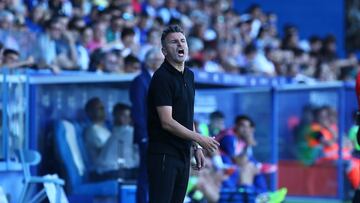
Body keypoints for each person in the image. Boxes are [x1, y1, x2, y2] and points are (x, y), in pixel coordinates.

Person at [147, 24, 219, 203]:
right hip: (164, 154)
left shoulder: (190, 75)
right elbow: (167, 122)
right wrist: (200, 137)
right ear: (164, 51)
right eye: (173, 42)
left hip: (184, 154)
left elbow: (188, 114)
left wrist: (197, 146)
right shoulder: (161, 78)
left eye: (182, 41)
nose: (180, 45)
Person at [129, 47, 164, 203]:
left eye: (161, 60)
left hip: (161, 135)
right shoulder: (140, 81)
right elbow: (138, 110)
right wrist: (143, 136)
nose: (160, 62)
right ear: (148, 61)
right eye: (157, 59)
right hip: (147, 136)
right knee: (145, 174)